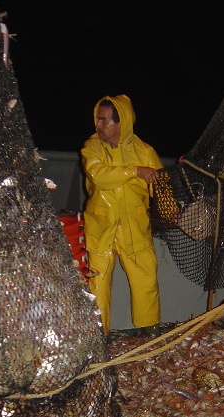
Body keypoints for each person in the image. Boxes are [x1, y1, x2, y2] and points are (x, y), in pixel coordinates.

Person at [80, 95, 163, 336]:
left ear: (121, 123)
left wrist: (172, 209)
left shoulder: (145, 152)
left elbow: (161, 189)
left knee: (145, 279)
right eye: (98, 119)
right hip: (100, 229)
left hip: (135, 228)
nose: (99, 125)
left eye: (104, 120)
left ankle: (150, 331)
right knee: (98, 284)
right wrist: (135, 172)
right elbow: (99, 176)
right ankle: (98, 337)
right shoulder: (91, 147)